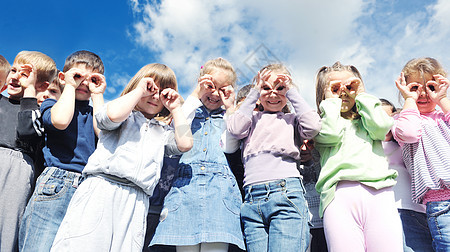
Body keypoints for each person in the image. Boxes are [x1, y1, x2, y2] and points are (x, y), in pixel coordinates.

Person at [50, 63, 193, 251]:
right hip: (102, 187)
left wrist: (175, 109)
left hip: (137, 198)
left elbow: (185, 143)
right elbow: (111, 115)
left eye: (162, 93)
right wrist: (139, 91)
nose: (154, 96)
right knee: (82, 243)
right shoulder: (124, 116)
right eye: (150, 88)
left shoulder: (163, 131)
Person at [151, 57, 245, 252]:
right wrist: (196, 93)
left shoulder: (228, 118)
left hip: (220, 192)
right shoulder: (189, 111)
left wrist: (230, 108)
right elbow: (179, 133)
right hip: (186, 190)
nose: (215, 93)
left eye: (223, 89)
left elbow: (230, 146)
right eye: (210, 86)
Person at [227, 63, 321, 252]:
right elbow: (235, 128)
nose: (273, 94)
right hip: (252, 199)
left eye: (280, 88)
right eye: (266, 88)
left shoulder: (292, 120)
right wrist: (254, 91)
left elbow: (313, 126)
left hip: (285, 192)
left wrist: (292, 91)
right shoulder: (250, 120)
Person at [19, 50, 106, 252]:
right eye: (77, 77)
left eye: (91, 79)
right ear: (63, 77)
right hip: (56, 181)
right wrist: (69, 86)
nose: (84, 83)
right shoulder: (52, 104)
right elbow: (60, 121)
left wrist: (98, 94)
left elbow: (104, 133)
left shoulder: (95, 113)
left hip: (87, 186)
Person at [314, 61, 402, 252]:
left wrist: (361, 93)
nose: (343, 92)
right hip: (339, 196)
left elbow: (381, 127)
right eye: (335, 88)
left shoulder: (369, 120)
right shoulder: (319, 123)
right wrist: (330, 103)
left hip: (379, 193)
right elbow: (331, 134)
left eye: (349, 86)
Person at [0, 50, 57, 252]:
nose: (15, 77)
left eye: (24, 75)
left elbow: (27, 131)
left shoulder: (38, 111)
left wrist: (30, 92)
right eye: (14, 70)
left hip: (17, 169)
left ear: (41, 86)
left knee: (7, 229)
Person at [392, 57, 450, 251]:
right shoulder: (402, 118)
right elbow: (408, 133)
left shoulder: (444, 115)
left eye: (430, 87)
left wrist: (441, 99)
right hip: (440, 201)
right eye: (416, 88)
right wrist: (410, 99)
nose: (424, 94)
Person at [380, 98, 433, 252]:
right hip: (382, 211)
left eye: (389, 118)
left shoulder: (406, 144)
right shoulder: (365, 147)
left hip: (412, 210)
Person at [298, 140, 328, 252]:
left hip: (324, 223)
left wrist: (315, 155)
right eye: (300, 143)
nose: (304, 148)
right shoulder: (290, 165)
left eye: (309, 143)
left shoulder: (324, 161)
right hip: (302, 225)